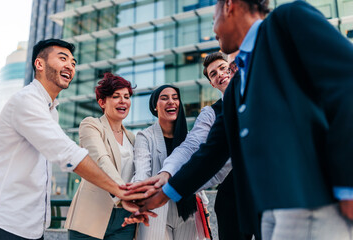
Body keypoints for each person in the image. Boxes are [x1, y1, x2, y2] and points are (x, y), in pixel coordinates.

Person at [129, 0, 353, 239]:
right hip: (267, 213)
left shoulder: (287, 21)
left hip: (313, 201)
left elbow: (346, 85)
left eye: (213, 14)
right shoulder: (238, 84)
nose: (213, 28)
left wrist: (347, 186)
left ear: (229, 6)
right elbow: (211, 151)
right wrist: (164, 193)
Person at [0, 39, 147, 240]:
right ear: (39, 64)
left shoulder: (51, 110)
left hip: (31, 227)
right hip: (7, 224)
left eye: (73, 63)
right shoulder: (26, 101)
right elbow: (68, 153)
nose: (70, 66)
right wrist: (121, 192)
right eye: (63, 58)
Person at [124, 52, 252, 240]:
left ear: (234, 68)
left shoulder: (258, 89)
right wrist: (165, 177)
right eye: (213, 74)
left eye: (223, 68)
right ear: (212, 83)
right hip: (232, 198)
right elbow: (193, 148)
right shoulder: (211, 114)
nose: (221, 74)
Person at [64, 73, 140, 240]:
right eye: (116, 96)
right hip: (90, 216)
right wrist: (124, 195)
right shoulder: (91, 125)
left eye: (126, 96)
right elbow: (101, 161)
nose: (123, 101)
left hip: (124, 220)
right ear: (102, 102)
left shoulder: (133, 138)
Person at [131, 85, 203, 240]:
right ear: (155, 106)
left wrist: (204, 205)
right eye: (164, 98)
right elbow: (142, 170)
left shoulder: (189, 138)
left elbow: (198, 172)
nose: (171, 102)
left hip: (187, 210)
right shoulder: (145, 136)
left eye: (175, 98)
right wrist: (138, 197)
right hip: (157, 209)